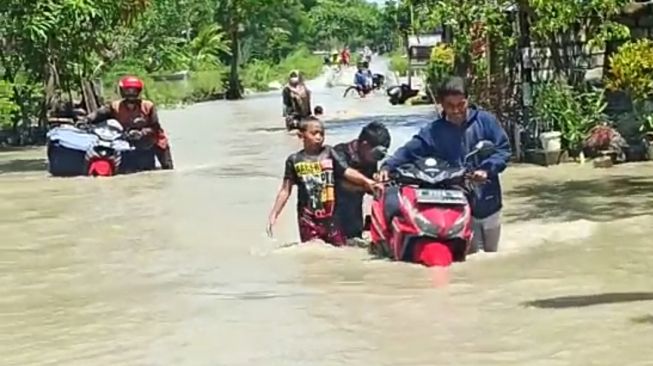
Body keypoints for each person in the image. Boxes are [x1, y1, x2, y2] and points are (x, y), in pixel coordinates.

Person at [377, 76, 511, 253]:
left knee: (492, 255)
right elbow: (409, 151)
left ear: (468, 101)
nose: (456, 111)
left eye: (460, 105)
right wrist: (388, 166)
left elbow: (503, 150)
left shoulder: (486, 122)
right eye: (450, 106)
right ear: (441, 104)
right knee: (468, 256)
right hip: (456, 204)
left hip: (489, 199)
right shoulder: (433, 131)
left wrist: (487, 169)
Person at [267, 117, 379, 246]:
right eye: (314, 133)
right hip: (307, 218)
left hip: (332, 216)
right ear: (300, 135)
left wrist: (367, 182)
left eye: (322, 133)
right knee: (313, 249)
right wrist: (274, 214)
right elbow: (285, 190)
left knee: (340, 249)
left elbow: (346, 171)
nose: (319, 137)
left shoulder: (329, 153)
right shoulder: (294, 160)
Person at [81, 76, 173, 169]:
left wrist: (141, 133)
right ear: (122, 91)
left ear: (138, 92)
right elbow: (99, 114)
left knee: (167, 168)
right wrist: (86, 120)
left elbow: (155, 126)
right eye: (127, 91)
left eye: (134, 91)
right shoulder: (115, 106)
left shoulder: (148, 106)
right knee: (144, 169)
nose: (131, 94)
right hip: (131, 141)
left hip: (154, 140)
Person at [334, 121, 391, 240]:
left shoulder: (370, 158)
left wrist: (379, 181)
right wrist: (367, 183)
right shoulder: (339, 152)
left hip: (354, 216)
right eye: (376, 154)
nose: (377, 159)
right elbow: (343, 176)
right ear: (365, 145)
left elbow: (372, 188)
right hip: (333, 216)